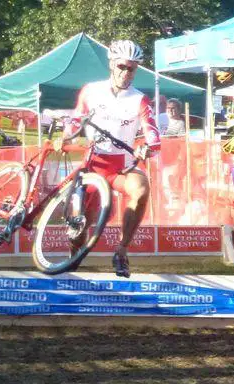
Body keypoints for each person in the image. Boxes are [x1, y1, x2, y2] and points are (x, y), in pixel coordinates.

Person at [56, 40, 159, 278]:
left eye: (131, 68)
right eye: (122, 66)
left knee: (141, 189)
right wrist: (66, 135)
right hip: (93, 165)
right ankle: (73, 258)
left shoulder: (140, 99)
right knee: (82, 225)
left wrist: (148, 147)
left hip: (121, 166)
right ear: (112, 64)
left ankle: (121, 252)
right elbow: (76, 119)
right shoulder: (91, 90)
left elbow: (152, 131)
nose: (126, 72)